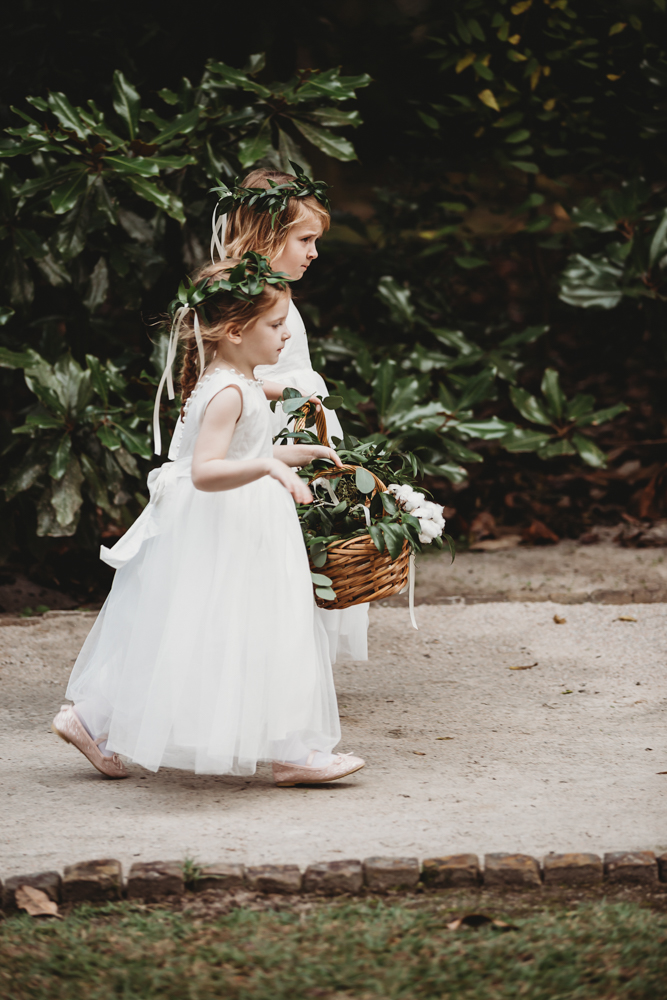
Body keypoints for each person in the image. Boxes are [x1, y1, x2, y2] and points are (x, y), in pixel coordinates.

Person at [52, 253, 365, 787]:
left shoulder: (237, 379)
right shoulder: (226, 390)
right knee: (220, 630)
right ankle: (290, 750)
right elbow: (205, 470)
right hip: (227, 527)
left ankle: (290, 748)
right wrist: (268, 464)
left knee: (227, 629)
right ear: (237, 331)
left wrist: (293, 454)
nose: (285, 336)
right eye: (275, 325)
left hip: (242, 520)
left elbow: (249, 443)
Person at [213, 165, 369, 663]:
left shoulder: (272, 292)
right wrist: (288, 395)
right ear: (267, 233)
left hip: (294, 422)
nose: (314, 252)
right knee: (263, 543)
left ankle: (286, 665)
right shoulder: (241, 298)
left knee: (295, 543)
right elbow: (226, 373)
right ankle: (261, 658)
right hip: (266, 428)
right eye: (305, 239)